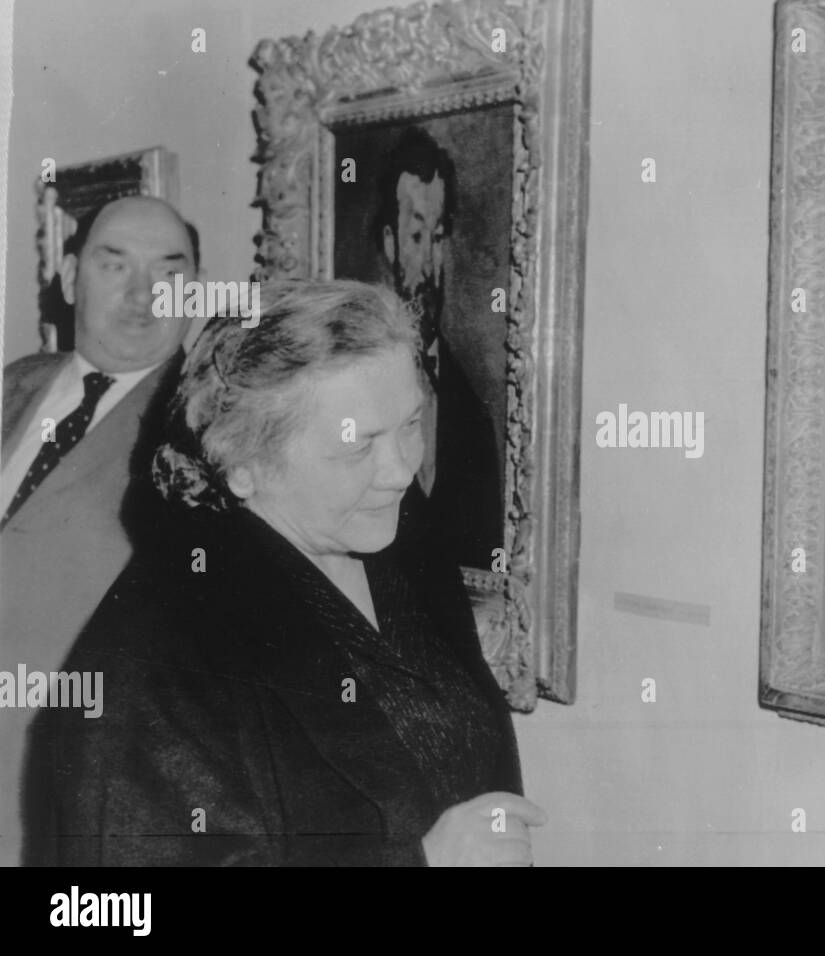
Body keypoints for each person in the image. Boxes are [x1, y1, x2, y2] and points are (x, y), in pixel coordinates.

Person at [22, 279, 544, 866]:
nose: (400, 470)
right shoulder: (146, 668)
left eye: (411, 424)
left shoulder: (391, 532)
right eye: (358, 445)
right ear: (243, 465)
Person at [0, 196, 196, 866]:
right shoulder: (17, 385)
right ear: (68, 273)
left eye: (169, 272)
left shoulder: (203, 432)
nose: (144, 293)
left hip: (57, 789)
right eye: (115, 265)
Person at [376, 126, 502, 570]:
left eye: (439, 235)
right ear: (390, 243)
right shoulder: (351, 381)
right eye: (416, 237)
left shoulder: (472, 417)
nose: (430, 263)